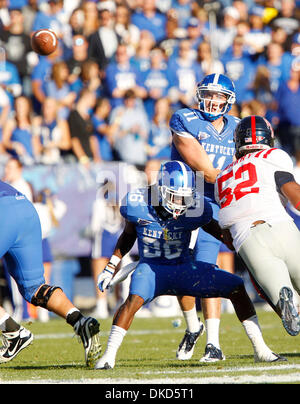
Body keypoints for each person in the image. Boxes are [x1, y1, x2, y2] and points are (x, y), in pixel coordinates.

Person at [95, 161, 284, 369]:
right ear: (161, 189)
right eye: (175, 195)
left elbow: (220, 233)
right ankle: (108, 356)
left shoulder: (195, 207)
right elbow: (128, 236)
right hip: (151, 268)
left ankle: (261, 350)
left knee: (236, 287)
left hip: (183, 268)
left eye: (185, 196)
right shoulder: (138, 203)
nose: (180, 202)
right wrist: (111, 266)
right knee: (132, 301)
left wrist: (247, 247)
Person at [169, 73, 239, 362]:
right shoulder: (185, 119)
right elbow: (206, 171)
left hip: (213, 204)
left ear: (228, 100)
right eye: (208, 94)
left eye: (219, 96)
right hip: (182, 202)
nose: (212, 100)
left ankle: (214, 343)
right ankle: (192, 326)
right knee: (175, 269)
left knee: (207, 268)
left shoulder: (237, 128)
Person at [0, 177, 101, 366]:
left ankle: (13, 333)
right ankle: (79, 321)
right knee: (34, 288)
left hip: (4, 211)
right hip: (25, 209)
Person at [215, 115, 300, 336]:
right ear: (268, 138)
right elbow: (291, 191)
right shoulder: (274, 156)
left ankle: (285, 297)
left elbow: (227, 237)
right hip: (279, 224)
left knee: (279, 291)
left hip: (246, 238)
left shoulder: (223, 176)